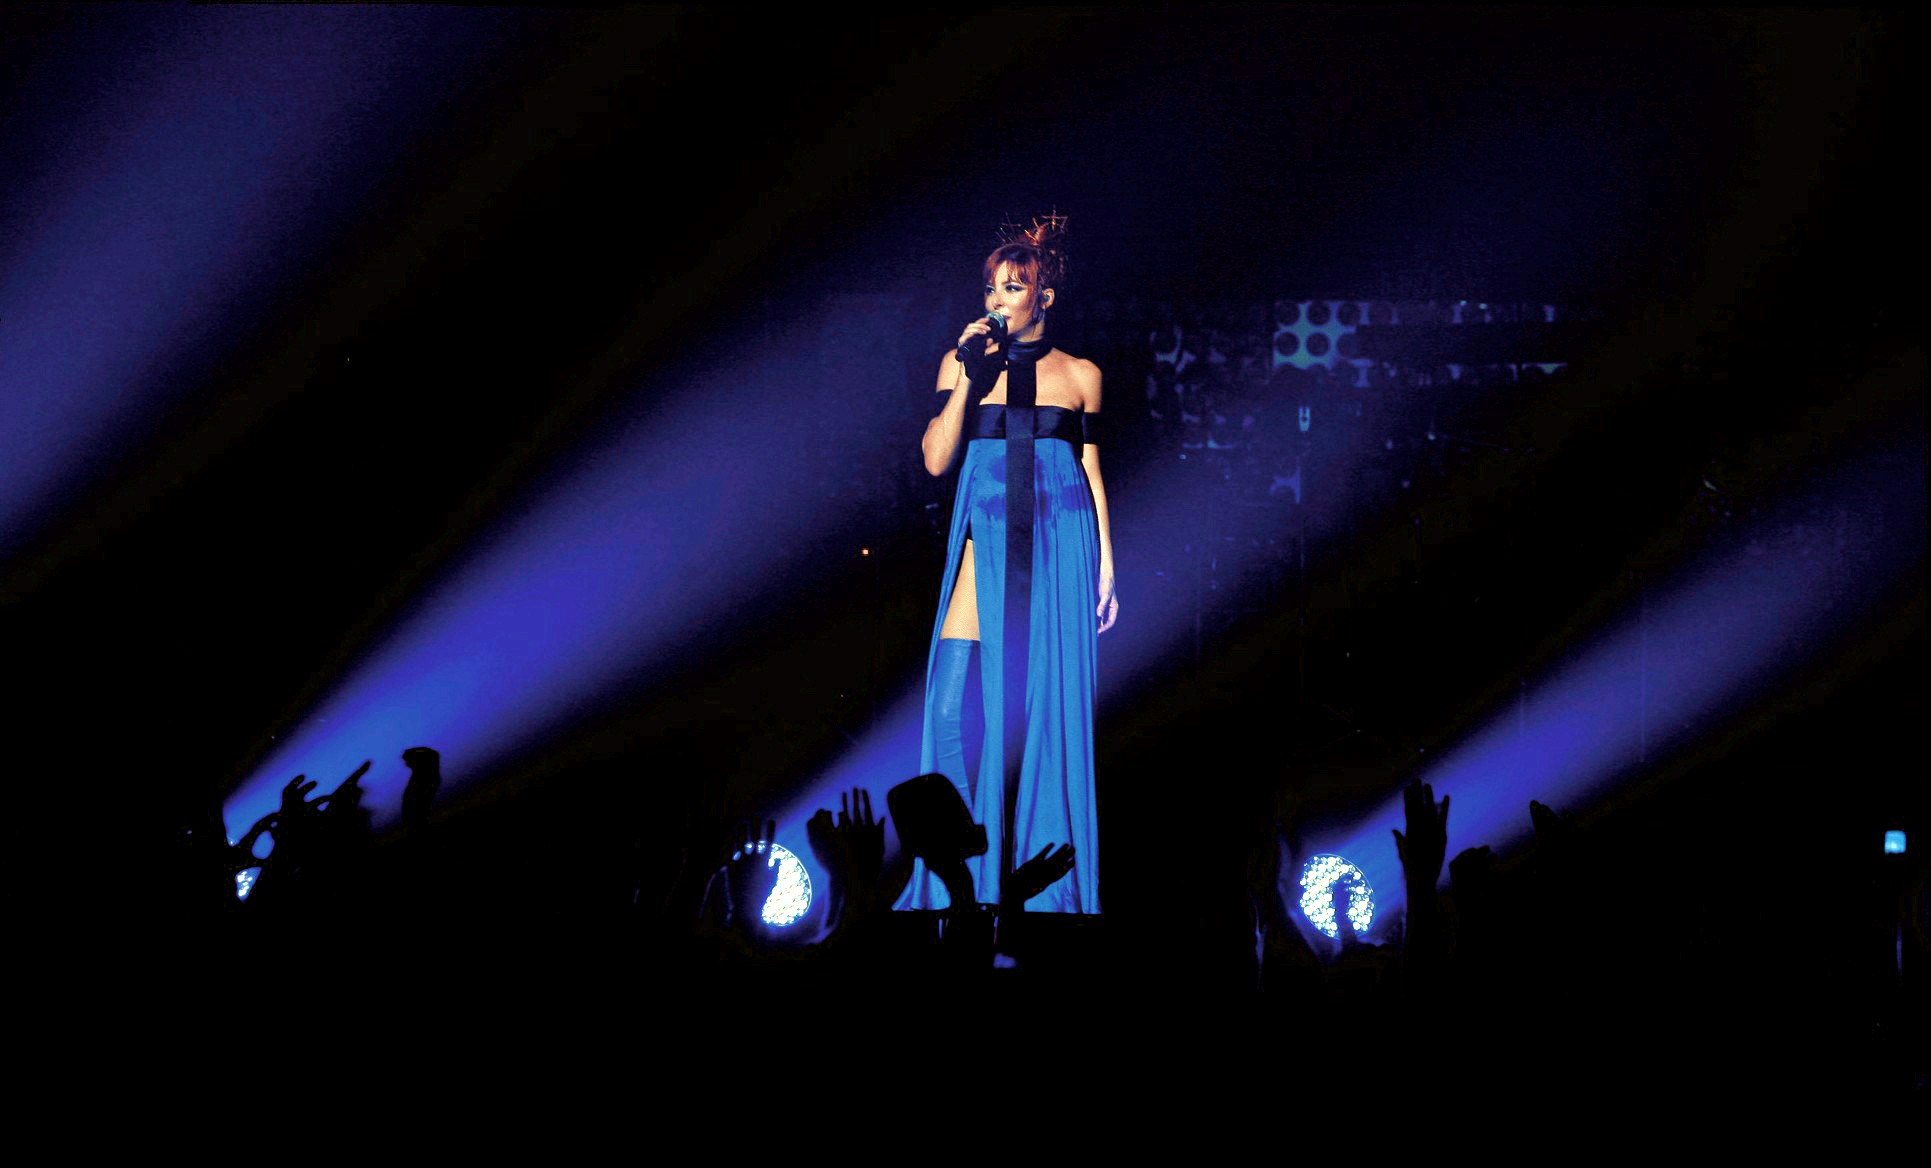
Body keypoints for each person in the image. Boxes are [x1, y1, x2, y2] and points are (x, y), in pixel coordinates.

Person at [895, 215, 1115, 914]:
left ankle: (1046, 888)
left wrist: (1108, 565)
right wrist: (969, 372)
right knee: (952, 698)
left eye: (1013, 286)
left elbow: (1091, 469)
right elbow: (934, 461)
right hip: (983, 532)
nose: (998, 297)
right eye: (992, 286)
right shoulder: (958, 361)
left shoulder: (1081, 375)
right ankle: (954, 876)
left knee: (1046, 704)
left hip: (1061, 535)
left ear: (1043, 296)